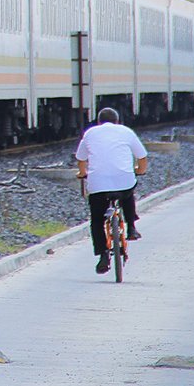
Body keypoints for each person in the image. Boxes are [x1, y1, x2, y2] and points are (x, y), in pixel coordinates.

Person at [75, 106, 148, 274]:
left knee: (97, 220)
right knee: (128, 193)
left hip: (98, 185)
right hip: (124, 181)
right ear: (117, 121)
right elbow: (142, 157)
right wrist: (140, 170)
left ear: (98, 122)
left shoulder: (90, 133)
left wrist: (82, 173)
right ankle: (131, 227)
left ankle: (102, 255)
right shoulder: (126, 131)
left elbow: (81, 159)